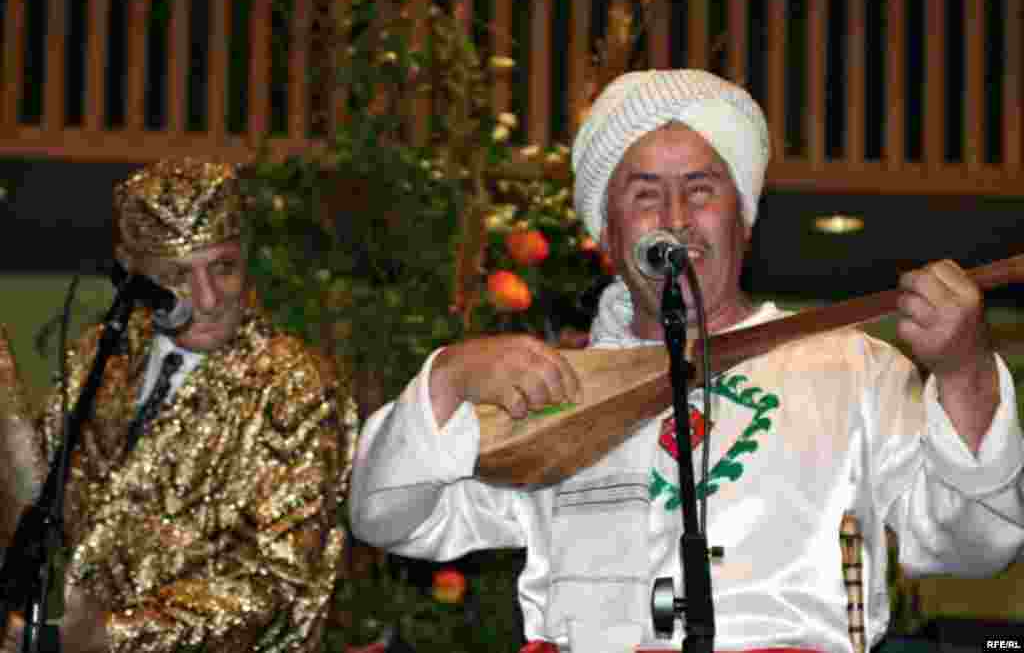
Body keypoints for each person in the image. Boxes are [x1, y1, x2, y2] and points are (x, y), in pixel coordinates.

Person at [348, 69, 1024, 653]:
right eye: (645, 193)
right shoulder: (556, 389)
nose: (675, 216)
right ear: (607, 232)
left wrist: (964, 373)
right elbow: (387, 518)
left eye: (702, 189)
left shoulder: (852, 369)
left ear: (744, 218)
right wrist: (448, 380)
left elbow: (978, 546)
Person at [0, 158, 353, 652]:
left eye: (224, 267)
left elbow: (274, 581)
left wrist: (112, 635)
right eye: (177, 275)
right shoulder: (99, 355)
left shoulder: (297, 386)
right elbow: (40, 505)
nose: (207, 298)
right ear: (130, 271)